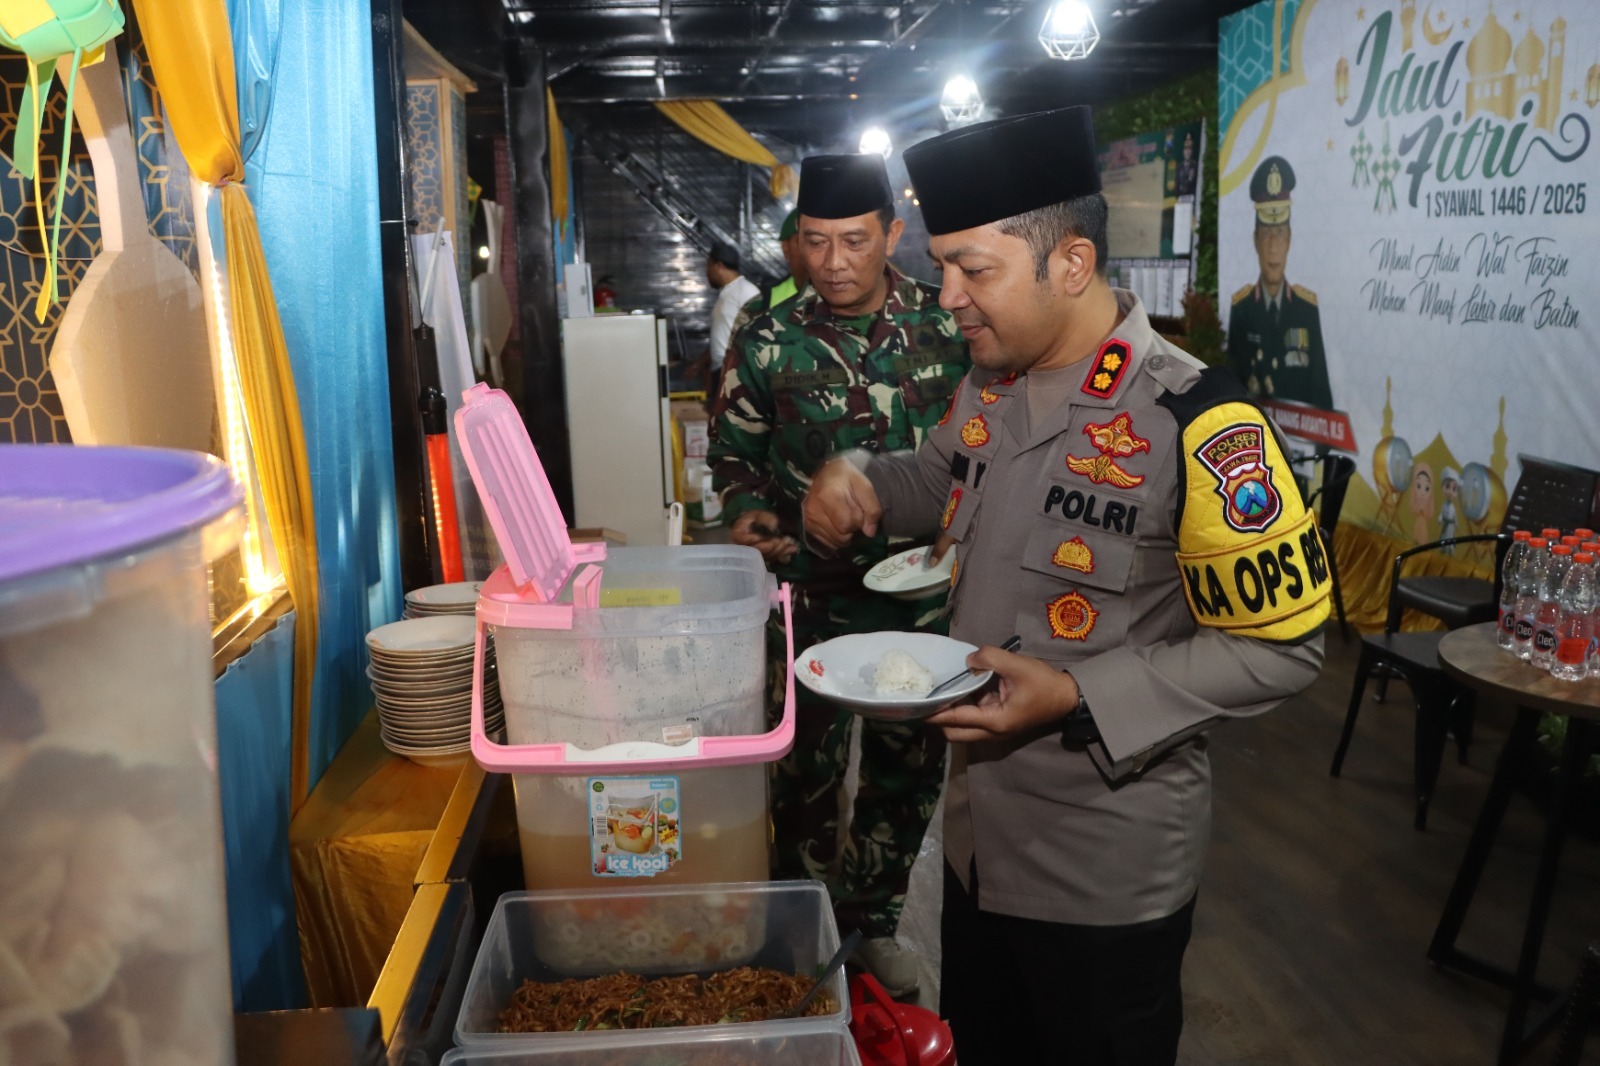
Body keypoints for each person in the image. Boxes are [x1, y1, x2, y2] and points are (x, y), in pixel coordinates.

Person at [803, 106, 1330, 1064]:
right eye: (942, 264)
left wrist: (1079, 694)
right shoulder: (991, 379)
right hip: (975, 845)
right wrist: (863, 476)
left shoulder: (1200, 421)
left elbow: (1281, 647)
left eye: (975, 268)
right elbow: (940, 476)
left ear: (1072, 264)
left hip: (1102, 869)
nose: (947, 294)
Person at [709, 152, 970, 997]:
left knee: (908, 769)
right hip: (808, 596)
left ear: (895, 233)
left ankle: (877, 921)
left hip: (922, 600)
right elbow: (734, 456)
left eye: (854, 241)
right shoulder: (766, 332)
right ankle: (809, 927)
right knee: (803, 774)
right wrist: (749, 514)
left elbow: (988, 446)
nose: (833, 263)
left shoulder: (950, 325)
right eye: (814, 243)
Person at [1226, 155, 1334, 411]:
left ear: (1290, 240)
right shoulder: (1241, 308)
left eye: (1280, 234)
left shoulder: (1307, 309)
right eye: (1266, 236)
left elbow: (1321, 394)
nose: (1273, 247)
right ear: (1255, 241)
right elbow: (1233, 385)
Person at [703, 241, 760, 394]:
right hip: (721, 371)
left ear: (719, 266)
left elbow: (757, 333)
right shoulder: (726, 294)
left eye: (708, 266)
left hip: (736, 373)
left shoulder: (746, 291)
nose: (706, 272)